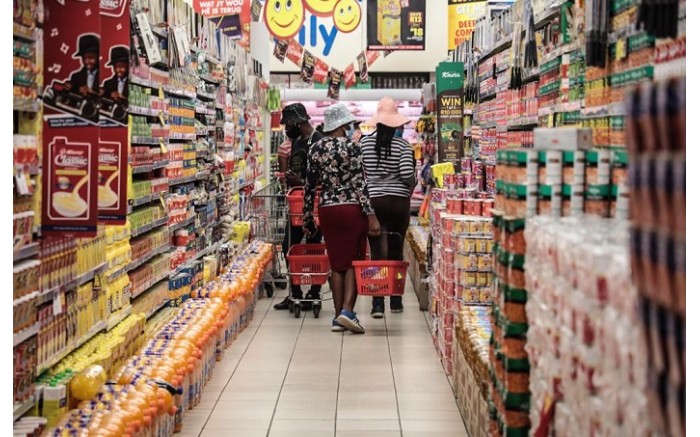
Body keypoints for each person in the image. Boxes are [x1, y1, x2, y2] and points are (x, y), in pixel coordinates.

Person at [303, 103, 381, 333]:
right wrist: (371, 215)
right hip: (351, 209)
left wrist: (307, 215)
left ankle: (338, 317)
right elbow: (360, 184)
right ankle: (348, 310)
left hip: (327, 209)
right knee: (354, 261)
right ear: (343, 124)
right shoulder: (353, 147)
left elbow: (309, 186)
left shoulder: (315, 149)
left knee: (336, 262)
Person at [360, 97, 416, 318]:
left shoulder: (364, 143)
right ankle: (395, 299)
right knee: (395, 250)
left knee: (376, 253)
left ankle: (377, 303)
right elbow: (406, 174)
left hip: (374, 202)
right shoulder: (403, 145)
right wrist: (413, 182)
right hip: (398, 203)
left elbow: (361, 173)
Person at [274, 103, 325, 311]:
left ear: (297, 121)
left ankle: (313, 293)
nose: (286, 129)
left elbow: (323, 175)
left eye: (288, 124)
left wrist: (301, 181)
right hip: (296, 205)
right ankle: (295, 292)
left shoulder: (319, 142)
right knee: (289, 246)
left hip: (313, 205)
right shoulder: (296, 141)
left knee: (313, 248)